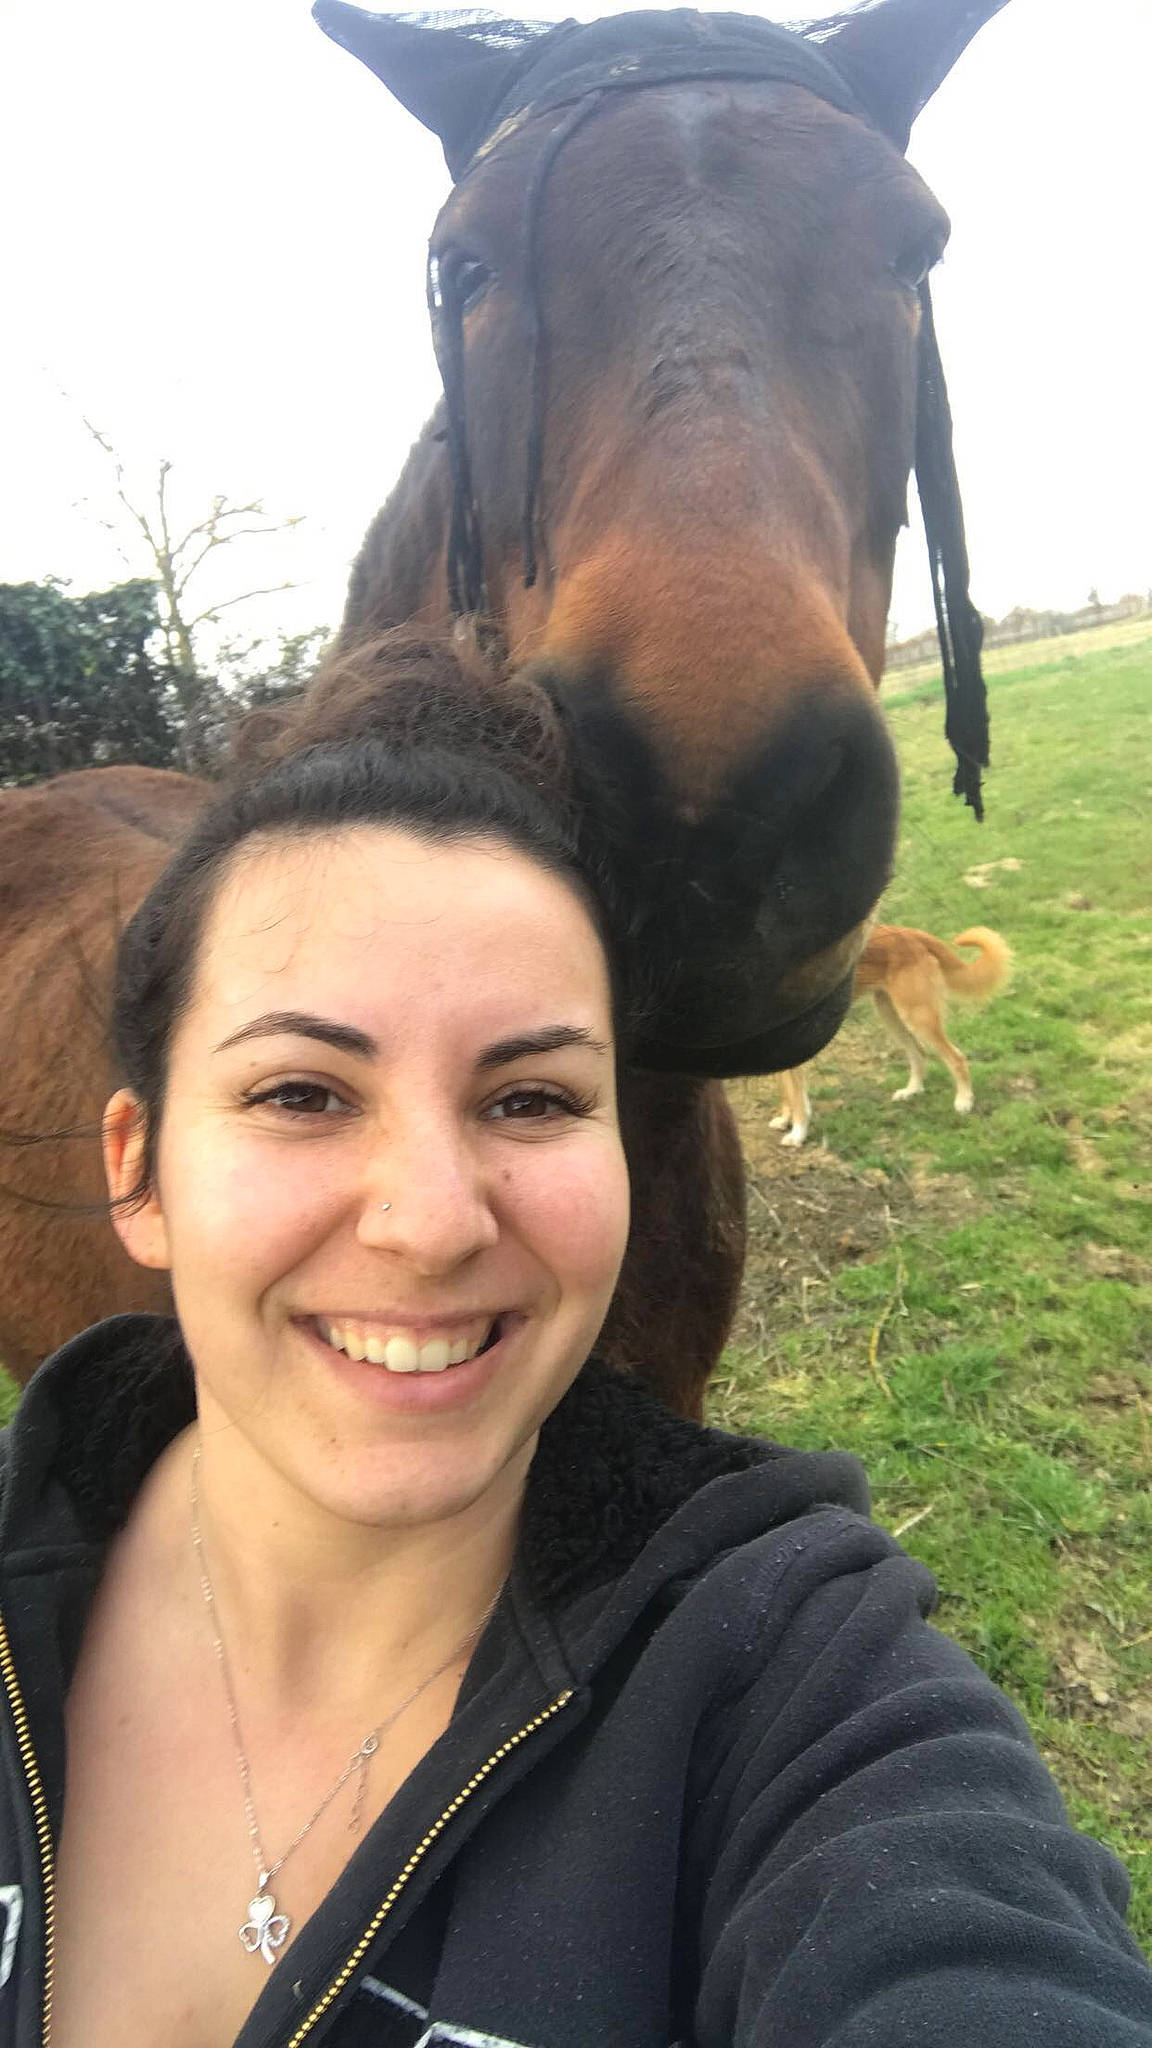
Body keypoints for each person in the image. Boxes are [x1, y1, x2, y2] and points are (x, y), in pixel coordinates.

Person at [0, 661, 1149, 2048]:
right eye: (302, 1092)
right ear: (140, 1173)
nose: (430, 1224)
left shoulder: (800, 1695)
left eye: (533, 1096)